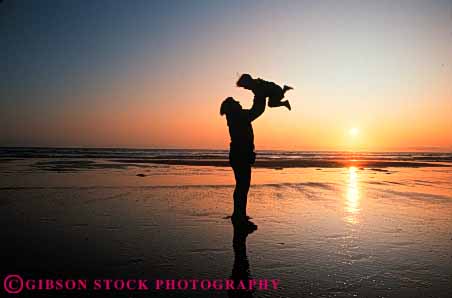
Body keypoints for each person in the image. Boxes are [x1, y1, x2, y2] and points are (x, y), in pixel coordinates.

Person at [220, 93, 266, 228]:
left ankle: (239, 214)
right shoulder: (239, 116)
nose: (239, 103)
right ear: (233, 107)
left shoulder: (235, 116)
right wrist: (259, 93)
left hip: (238, 155)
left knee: (241, 186)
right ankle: (239, 217)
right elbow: (257, 111)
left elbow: (255, 111)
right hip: (241, 156)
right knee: (242, 187)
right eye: (236, 102)